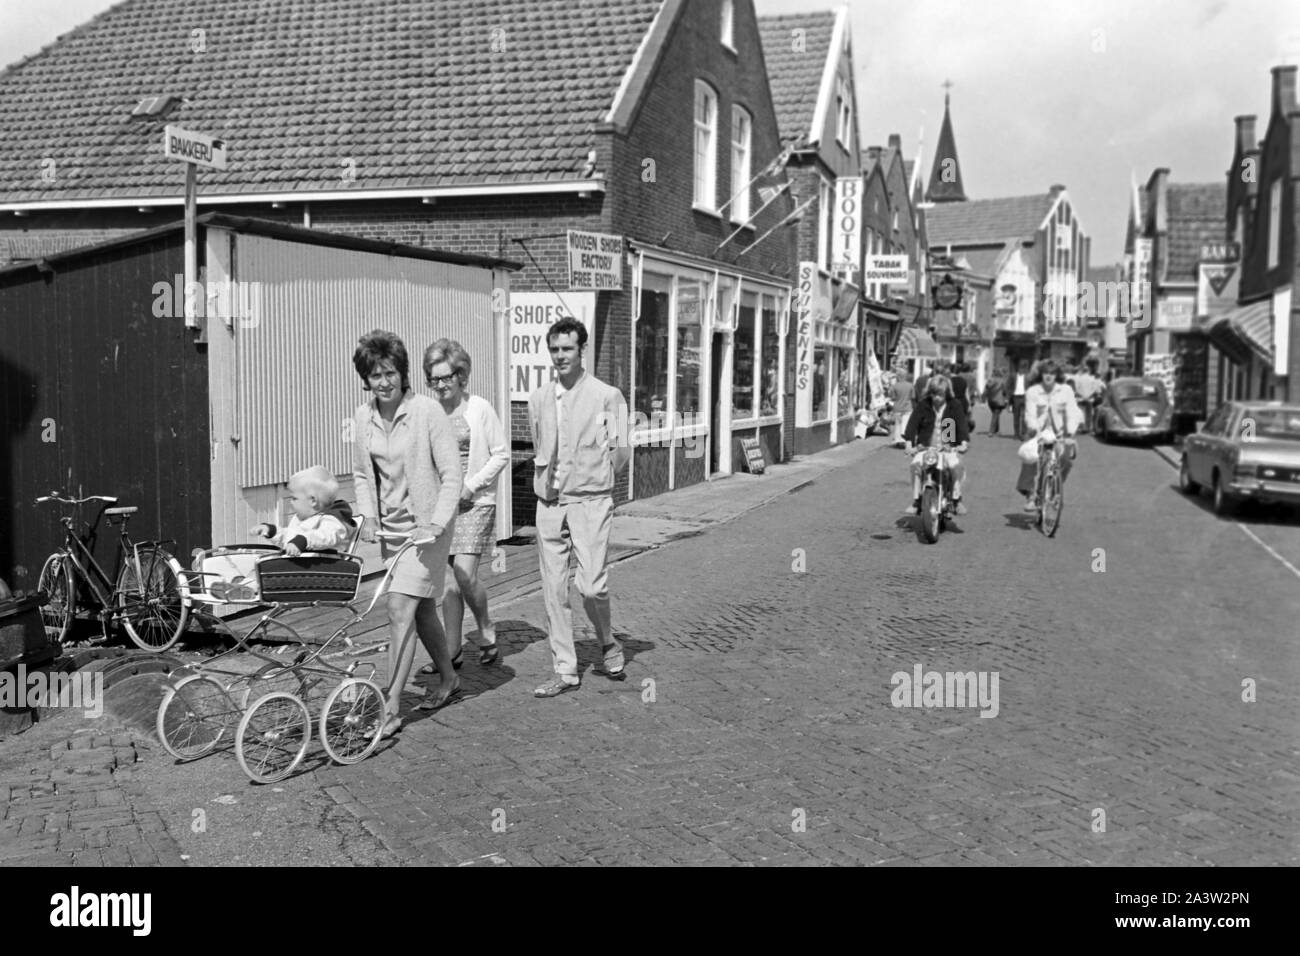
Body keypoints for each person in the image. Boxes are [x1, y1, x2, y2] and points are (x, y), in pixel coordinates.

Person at [352, 330, 463, 736]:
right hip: (391, 532)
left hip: (427, 532)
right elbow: (363, 475)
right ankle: (449, 678)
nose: (384, 382)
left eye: (391, 373)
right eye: (375, 374)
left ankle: (391, 708)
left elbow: (452, 474)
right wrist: (366, 518)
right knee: (422, 610)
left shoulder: (427, 413)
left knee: (399, 609)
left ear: (403, 373)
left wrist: (437, 520)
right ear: (366, 378)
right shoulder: (363, 417)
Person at [529, 317, 632, 698]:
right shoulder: (539, 398)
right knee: (554, 591)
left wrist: (595, 476)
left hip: (590, 502)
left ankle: (607, 640)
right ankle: (566, 670)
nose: (560, 356)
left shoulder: (607, 395)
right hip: (550, 505)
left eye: (567, 349)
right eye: (554, 349)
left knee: (590, 586)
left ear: (581, 350)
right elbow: (541, 443)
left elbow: (621, 451)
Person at [422, 339, 509, 671]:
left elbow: (501, 454)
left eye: (447, 377)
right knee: (447, 584)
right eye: (434, 379)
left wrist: (470, 487)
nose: (441, 385)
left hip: (476, 502)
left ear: (460, 375)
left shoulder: (480, 408)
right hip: (444, 507)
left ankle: (485, 624)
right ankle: (452, 652)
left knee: (463, 572)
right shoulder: (429, 413)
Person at [1016, 360, 1082, 511]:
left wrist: (1071, 431)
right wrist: (1033, 428)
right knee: (1032, 458)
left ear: (1057, 375)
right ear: (1041, 375)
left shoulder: (1065, 391)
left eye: (1052, 373)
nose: (1049, 376)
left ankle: (1054, 486)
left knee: (1066, 459)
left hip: (1060, 434)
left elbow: (1073, 412)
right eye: (1046, 373)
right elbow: (1030, 414)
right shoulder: (1033, 391)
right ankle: (1031, 495)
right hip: (1038, 433)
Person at [902, 375, 970, 517]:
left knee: (955, 465)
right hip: (926, 448)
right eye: (933, 394)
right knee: (915, 464)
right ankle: (916, 500)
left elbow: (962, 425)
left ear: (946, 393)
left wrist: (963, 443)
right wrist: (909, 444)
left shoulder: (954, 405)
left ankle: (956, 499)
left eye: (939, 394)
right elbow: (912, 425)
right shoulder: (924, 405)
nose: (936, 398)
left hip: (947, 447)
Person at [250, 466, 355, 556]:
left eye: (294, 498)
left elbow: (325, 537)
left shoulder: (332, 520)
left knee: (266, 566)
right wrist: (272, 531)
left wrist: (303, 541)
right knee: (260, 562)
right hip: (302, 567)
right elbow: (290, 538)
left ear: (313, 500)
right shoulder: (300, 518)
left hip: (324, 568)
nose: (291, 502)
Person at [1071, 359, 1104, 434]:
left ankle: (1081, 427)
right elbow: (1095, 389)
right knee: (1089, 413)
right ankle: (1088, 427)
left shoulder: (1079, 379)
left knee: (1081, 413)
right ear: (1088, 371)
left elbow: (1076, 389)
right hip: (1089, 399)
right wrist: (1088, 396)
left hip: (1080, 398)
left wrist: (1082, 395)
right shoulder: (1092, 379)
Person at [890, 365, 914, 447]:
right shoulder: (910, 385)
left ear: (898, 376)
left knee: (898, 424)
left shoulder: (895, 386)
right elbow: (913, 397)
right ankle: (904, 439)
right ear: (905, 376)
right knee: (906, 423)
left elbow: (893, 398)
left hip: (897, 407)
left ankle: (897, 440)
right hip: (907, 407)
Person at [983, 367, 1009, 436]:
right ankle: (991, 431)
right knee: (995, 415)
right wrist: (1006, 398)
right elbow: (1005, 391)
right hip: (999, 400)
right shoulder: (1002, 380)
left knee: (996, 414)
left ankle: (996, 430)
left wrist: (983, 397)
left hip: (990, 400)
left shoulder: (990, 380)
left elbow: (986, 389)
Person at [1009, 360, 1030, 440]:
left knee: (1024, 416)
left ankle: (1023, 433)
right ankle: (1016, 434)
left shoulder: (1028, 377)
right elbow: (1008, 385)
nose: (1022, 369)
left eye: (1023, 368)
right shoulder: (1013, 376)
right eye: (1020, 367)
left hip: (1025, 397)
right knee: (1016, 416)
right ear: (1018, 368)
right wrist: (1010, 394)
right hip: (1016, 397)